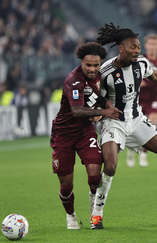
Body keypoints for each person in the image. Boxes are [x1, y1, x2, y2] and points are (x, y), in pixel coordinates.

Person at [90, 23, 157, 229]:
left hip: (138, 120)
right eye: (133, 47)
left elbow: (153, 74)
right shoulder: (105, 72)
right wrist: (99, 115)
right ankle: (97, 214)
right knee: (111, 167)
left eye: (138, 47)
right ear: (121, 48)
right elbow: (98, 99)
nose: (137, 50)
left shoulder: (141, 63)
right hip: (114, 124)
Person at [50, 42, 122, 229]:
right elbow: (77, 111)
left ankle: (93, 204)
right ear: (81, 62)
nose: (92, 69)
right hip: (64, 134)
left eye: (96, 65)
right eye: (88, 65)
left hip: (85, 132)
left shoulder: (100, 76)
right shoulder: (73, 80)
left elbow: (99, 96)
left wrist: (104, 104)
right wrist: (104, 112)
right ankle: (71, 216)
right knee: (66, 186)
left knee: (95, 176)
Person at [126, 33, 157, 168]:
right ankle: (132, 149)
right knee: (134, 128)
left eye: (154, 44)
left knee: (151, 124)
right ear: (146, 46)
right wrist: (137, 83)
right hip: (137, 98)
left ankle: (143, 154)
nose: (152, 47)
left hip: (153, 98)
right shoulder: (138, 60)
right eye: (149, 44)